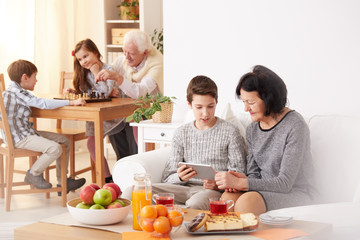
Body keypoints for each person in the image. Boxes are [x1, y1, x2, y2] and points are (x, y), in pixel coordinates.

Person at [215, 65, 318, 215]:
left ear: (269, 98)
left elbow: (285, 183)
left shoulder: (295, 125)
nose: (246, 109)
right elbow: (254, 176)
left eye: (250, 103)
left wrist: (242, 183)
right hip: (266, 190)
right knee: (227, 198)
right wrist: (241, 180)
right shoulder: (252, 130)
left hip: (297, 192)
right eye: (243, 102)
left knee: (247, 202)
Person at [151, 75, 246, 210]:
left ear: (217, 102)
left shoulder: (230, 132)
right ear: (189, 104)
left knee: (194, 205)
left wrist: (218, 184)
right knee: (134, 192)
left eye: (210, 106)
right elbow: (167, 178)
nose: (205, 113)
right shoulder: (181, 132)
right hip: (181, 189)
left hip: (211, 192)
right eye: (199, 107)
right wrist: (180, 177)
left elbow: (240, 173)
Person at [2, 59, 86, 192]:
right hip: (20, 137)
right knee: (55, 148)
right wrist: (71, 102)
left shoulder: (10, 92)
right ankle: (33, 174)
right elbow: (43, 104)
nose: (36, 80)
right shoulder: (18, 93)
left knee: (65, 141)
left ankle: (63, 182)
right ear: (25, 77)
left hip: (23, 133)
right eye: (35, 76)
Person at [96, 30, 163, 159]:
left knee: (132, 121)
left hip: (150, 110)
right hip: (127, 110)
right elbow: (107, 79)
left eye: (131, 53)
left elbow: (140, 93)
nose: (126, 57)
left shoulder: (156, 63)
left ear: (145, 53)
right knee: (113, 121)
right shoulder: (122, 59)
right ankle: (122, 165)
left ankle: (135, 163)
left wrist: (118, 78)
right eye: (124, 51)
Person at [71, 38, 127, 183]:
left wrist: (96, 70)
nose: (83, 61)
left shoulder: (109, 70)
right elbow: (90, 93)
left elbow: (105, 91)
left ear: (95, 53)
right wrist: (75, 92)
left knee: (95, 143)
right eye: (80, 59)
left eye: (86, 56)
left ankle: (110, 177)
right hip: (95, 113)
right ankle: (107, 178)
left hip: (112, 114)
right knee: (91, 144)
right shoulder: (84, 74)